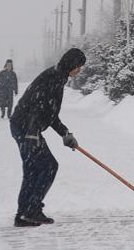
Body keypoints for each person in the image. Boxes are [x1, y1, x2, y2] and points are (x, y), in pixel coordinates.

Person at [8, 48, 83, 227]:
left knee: (32, 170)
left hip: (24, 126)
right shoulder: (54, 77)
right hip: (26, 127)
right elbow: (37, 103)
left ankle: (23, 215)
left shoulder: (58, 76)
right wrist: (32, 133)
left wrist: (65, 133)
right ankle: (31, 209)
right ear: (72, 64)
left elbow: (49, 113)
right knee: (49, 166)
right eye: (79, 66)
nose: (79, 70)